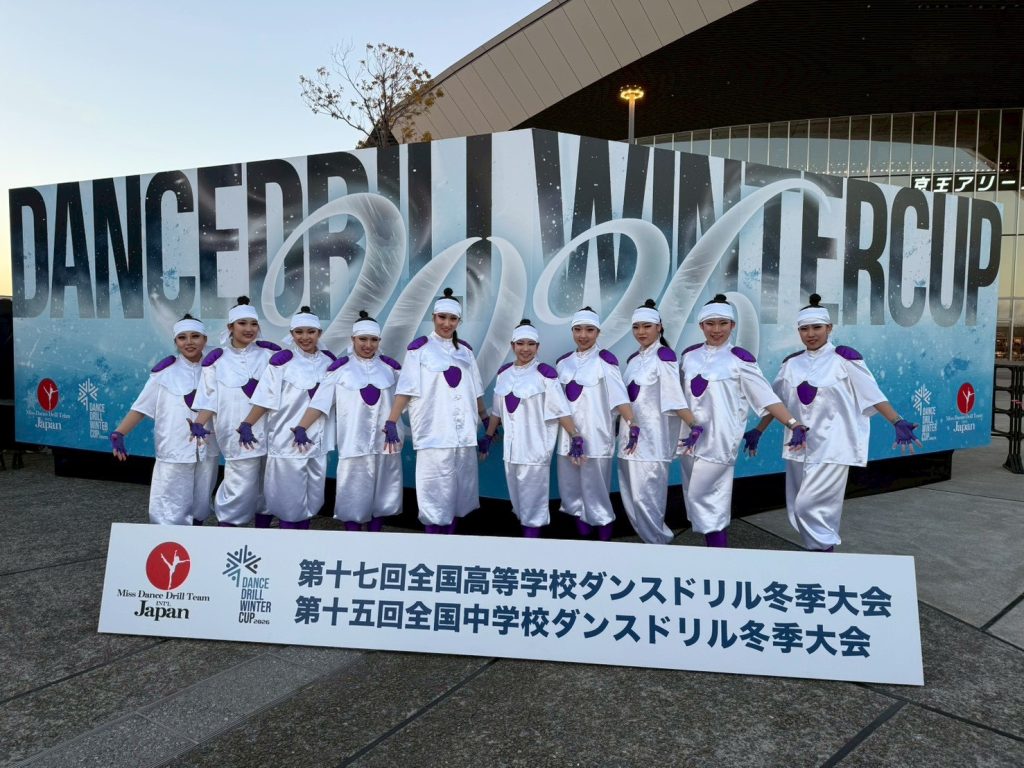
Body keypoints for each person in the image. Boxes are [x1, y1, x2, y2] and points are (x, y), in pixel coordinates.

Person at [744, 294, 921, 551]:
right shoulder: (791, 364)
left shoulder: (844, 359)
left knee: (809, 507)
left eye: (817, 327)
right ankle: (819, 559)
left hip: (834, 446)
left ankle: (825, 556)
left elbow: (872, 394)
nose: (811, 334)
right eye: (804, 329)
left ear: (829, 328)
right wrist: (759, 430)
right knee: (798, 510)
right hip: (798, 446)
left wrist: (897, 421)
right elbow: (776, 402)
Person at [678, 293, 805, 547]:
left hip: (720, 441)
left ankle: (719, 554)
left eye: (723, 323)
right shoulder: (689, 357)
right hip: (690, 441)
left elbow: (767, 397)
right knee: (699, 499)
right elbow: (678, 398)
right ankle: (714, 551)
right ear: (701, 325)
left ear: (732, 325)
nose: (716, 330)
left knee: (705, 498)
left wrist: (794, 424)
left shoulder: (739, 360)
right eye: (710, 323)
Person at [385, 288, 487, 534]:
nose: (446, 324)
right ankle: (433, 543)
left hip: (463, 437)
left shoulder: (466, 352)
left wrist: (485, 420)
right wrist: (391, 421)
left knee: (460, 493)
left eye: (452, 319)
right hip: (434, 433)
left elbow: (475, 391)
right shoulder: (419, 350)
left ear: (459, 321)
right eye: (442, 317)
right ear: (433, 317)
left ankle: (450, 542)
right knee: (434, 495)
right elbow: (406, 388)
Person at [295, 310, 403, 532]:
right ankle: (352, 538)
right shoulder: (340, 369)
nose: (368, 345)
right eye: (363, 339)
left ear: (379, 341)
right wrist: (301, 427)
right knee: (353, 497)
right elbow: (320, 403)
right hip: (354, 444)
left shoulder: (391, 369)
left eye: (373, 340)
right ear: (353, 339)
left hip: (386, 443)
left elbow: (409, 397)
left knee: (383, 496)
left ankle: (375, 536)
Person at [109, 314, 218, 526]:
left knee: (201, 501)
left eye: (195, 336)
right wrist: (119, 433)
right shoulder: (165, 373)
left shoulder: (214, 368)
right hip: (174, 448)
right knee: (170, 506)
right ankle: (169, 540)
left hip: (207, 448)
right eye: (182, 337)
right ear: (175, 341)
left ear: (205, 339)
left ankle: (197, 539)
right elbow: (141, 407)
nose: (189, 342)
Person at [479, 319, 583, 538]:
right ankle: (527, 541)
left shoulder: (545, 375)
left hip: (535, 451)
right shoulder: (504, 374)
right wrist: (488, 437)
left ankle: (531, 542)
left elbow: (560, 410)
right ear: (512, 345)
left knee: (533, 505)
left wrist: (575, 436)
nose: (525, 349)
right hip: (511, 452)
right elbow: (497, 411)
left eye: (530, 344)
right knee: (518, 503)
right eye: (520, 343)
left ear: (538, 347)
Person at [236, 307, 335, 530]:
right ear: (291, 334)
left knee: (312, 498)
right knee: (288, 501)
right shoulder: (282, 362)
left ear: (319, 333)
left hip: (318, 442)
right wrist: (247, 423)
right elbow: (265, 397)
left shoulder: (329, 362)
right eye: (299, 332)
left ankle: (302, 540)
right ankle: (285, 539)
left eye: (311, 332)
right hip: (287, 440)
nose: (305, 337)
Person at [189, 297, 280, 527]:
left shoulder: (269, 355)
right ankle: (228, 531)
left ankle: (263, 533)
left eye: (253, 324)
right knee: (239, 484)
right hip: (237, 432)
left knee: (269, 484)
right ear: (230, 327)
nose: (249, 329)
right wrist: (199, 423)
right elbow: (209, 398)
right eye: (242, 323)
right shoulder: (217, 360)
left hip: (272, 429)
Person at [618, 300, 699, 544]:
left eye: (647, 326)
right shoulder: (634, 360)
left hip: (652, 442)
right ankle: (650, 546)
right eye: (636, 327)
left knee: (646, 500)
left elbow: (675, 396)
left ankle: (659, 546)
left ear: (659, 327)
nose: (641, 332)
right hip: (628, 441)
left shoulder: (664, 356)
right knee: (632, 500)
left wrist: (694, 425)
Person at [555, 306, 638, 541]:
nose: (583, 335)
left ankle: (603, 542)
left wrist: (633, 423)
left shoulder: (605, 361)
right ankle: (583, 542)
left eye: (589, 330)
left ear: (598, 332)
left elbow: (619, 397)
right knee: (571, 493)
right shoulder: (563, 363)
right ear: (572, 331)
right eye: (578, 329)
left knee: (597, 494)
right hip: (567, 439)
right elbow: (555, 403)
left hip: (596, 437)